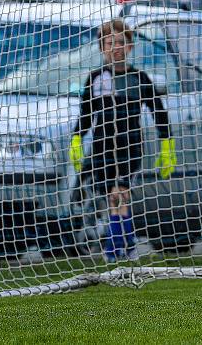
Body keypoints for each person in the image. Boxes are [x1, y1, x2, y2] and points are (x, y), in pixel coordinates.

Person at [69, 19, 177, 262]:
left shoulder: (139, 79)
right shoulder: (95, 79)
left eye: (121, 42)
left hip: (130, 146)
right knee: (113, 198)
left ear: (129, 47)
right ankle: (126, 246)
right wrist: (77, 139)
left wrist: (167, 145)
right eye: (110, 43)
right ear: (102, 47)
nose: (116, 47)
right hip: (102, 147)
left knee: (120, 194)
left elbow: (159, 114)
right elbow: (87, 115)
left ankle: (113, 250)